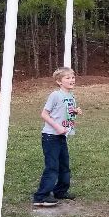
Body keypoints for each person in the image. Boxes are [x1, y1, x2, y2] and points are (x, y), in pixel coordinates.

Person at [32, 67, 81, 207]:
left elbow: (64, 111)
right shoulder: (55, 95)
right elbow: (44, 114)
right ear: (59, 82)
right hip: (50, 136)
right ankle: (41, 196)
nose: (72, 80)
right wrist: (58, 127)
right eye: (68, 78)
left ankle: (60, 191)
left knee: (64, 165)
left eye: (72, 77)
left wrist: (75, 112)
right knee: (52, 167)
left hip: (61, 137)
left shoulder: (71, 96)